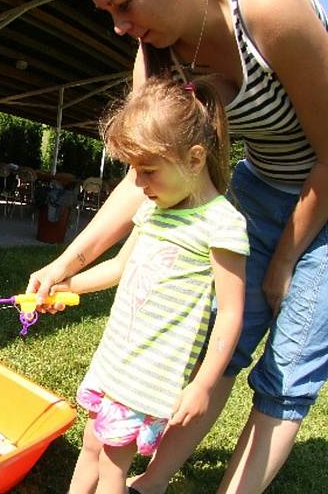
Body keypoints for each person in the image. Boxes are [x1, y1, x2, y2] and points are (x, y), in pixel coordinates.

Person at [28, 0, 328, 493]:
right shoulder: (156, 54)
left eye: (123, 4)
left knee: (287, 371)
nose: (118, 25)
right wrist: (66, 263)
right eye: (106, 12)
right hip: (266, 179)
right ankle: (151, 483)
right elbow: (142, 180)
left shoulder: (266, 6)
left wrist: (285, 259)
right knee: (221, 344)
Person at [61, 75, 248, 494]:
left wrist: (202, 385)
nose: (139, 185)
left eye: (148, 171)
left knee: (112, 464)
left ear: (195, 159)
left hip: (148, 375)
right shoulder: (154, 210)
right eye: (133, 171)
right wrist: (65, 287)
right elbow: (119, 268)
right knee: (91, 443)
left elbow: (233, 313)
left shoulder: (222, 224)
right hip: (116, 360)